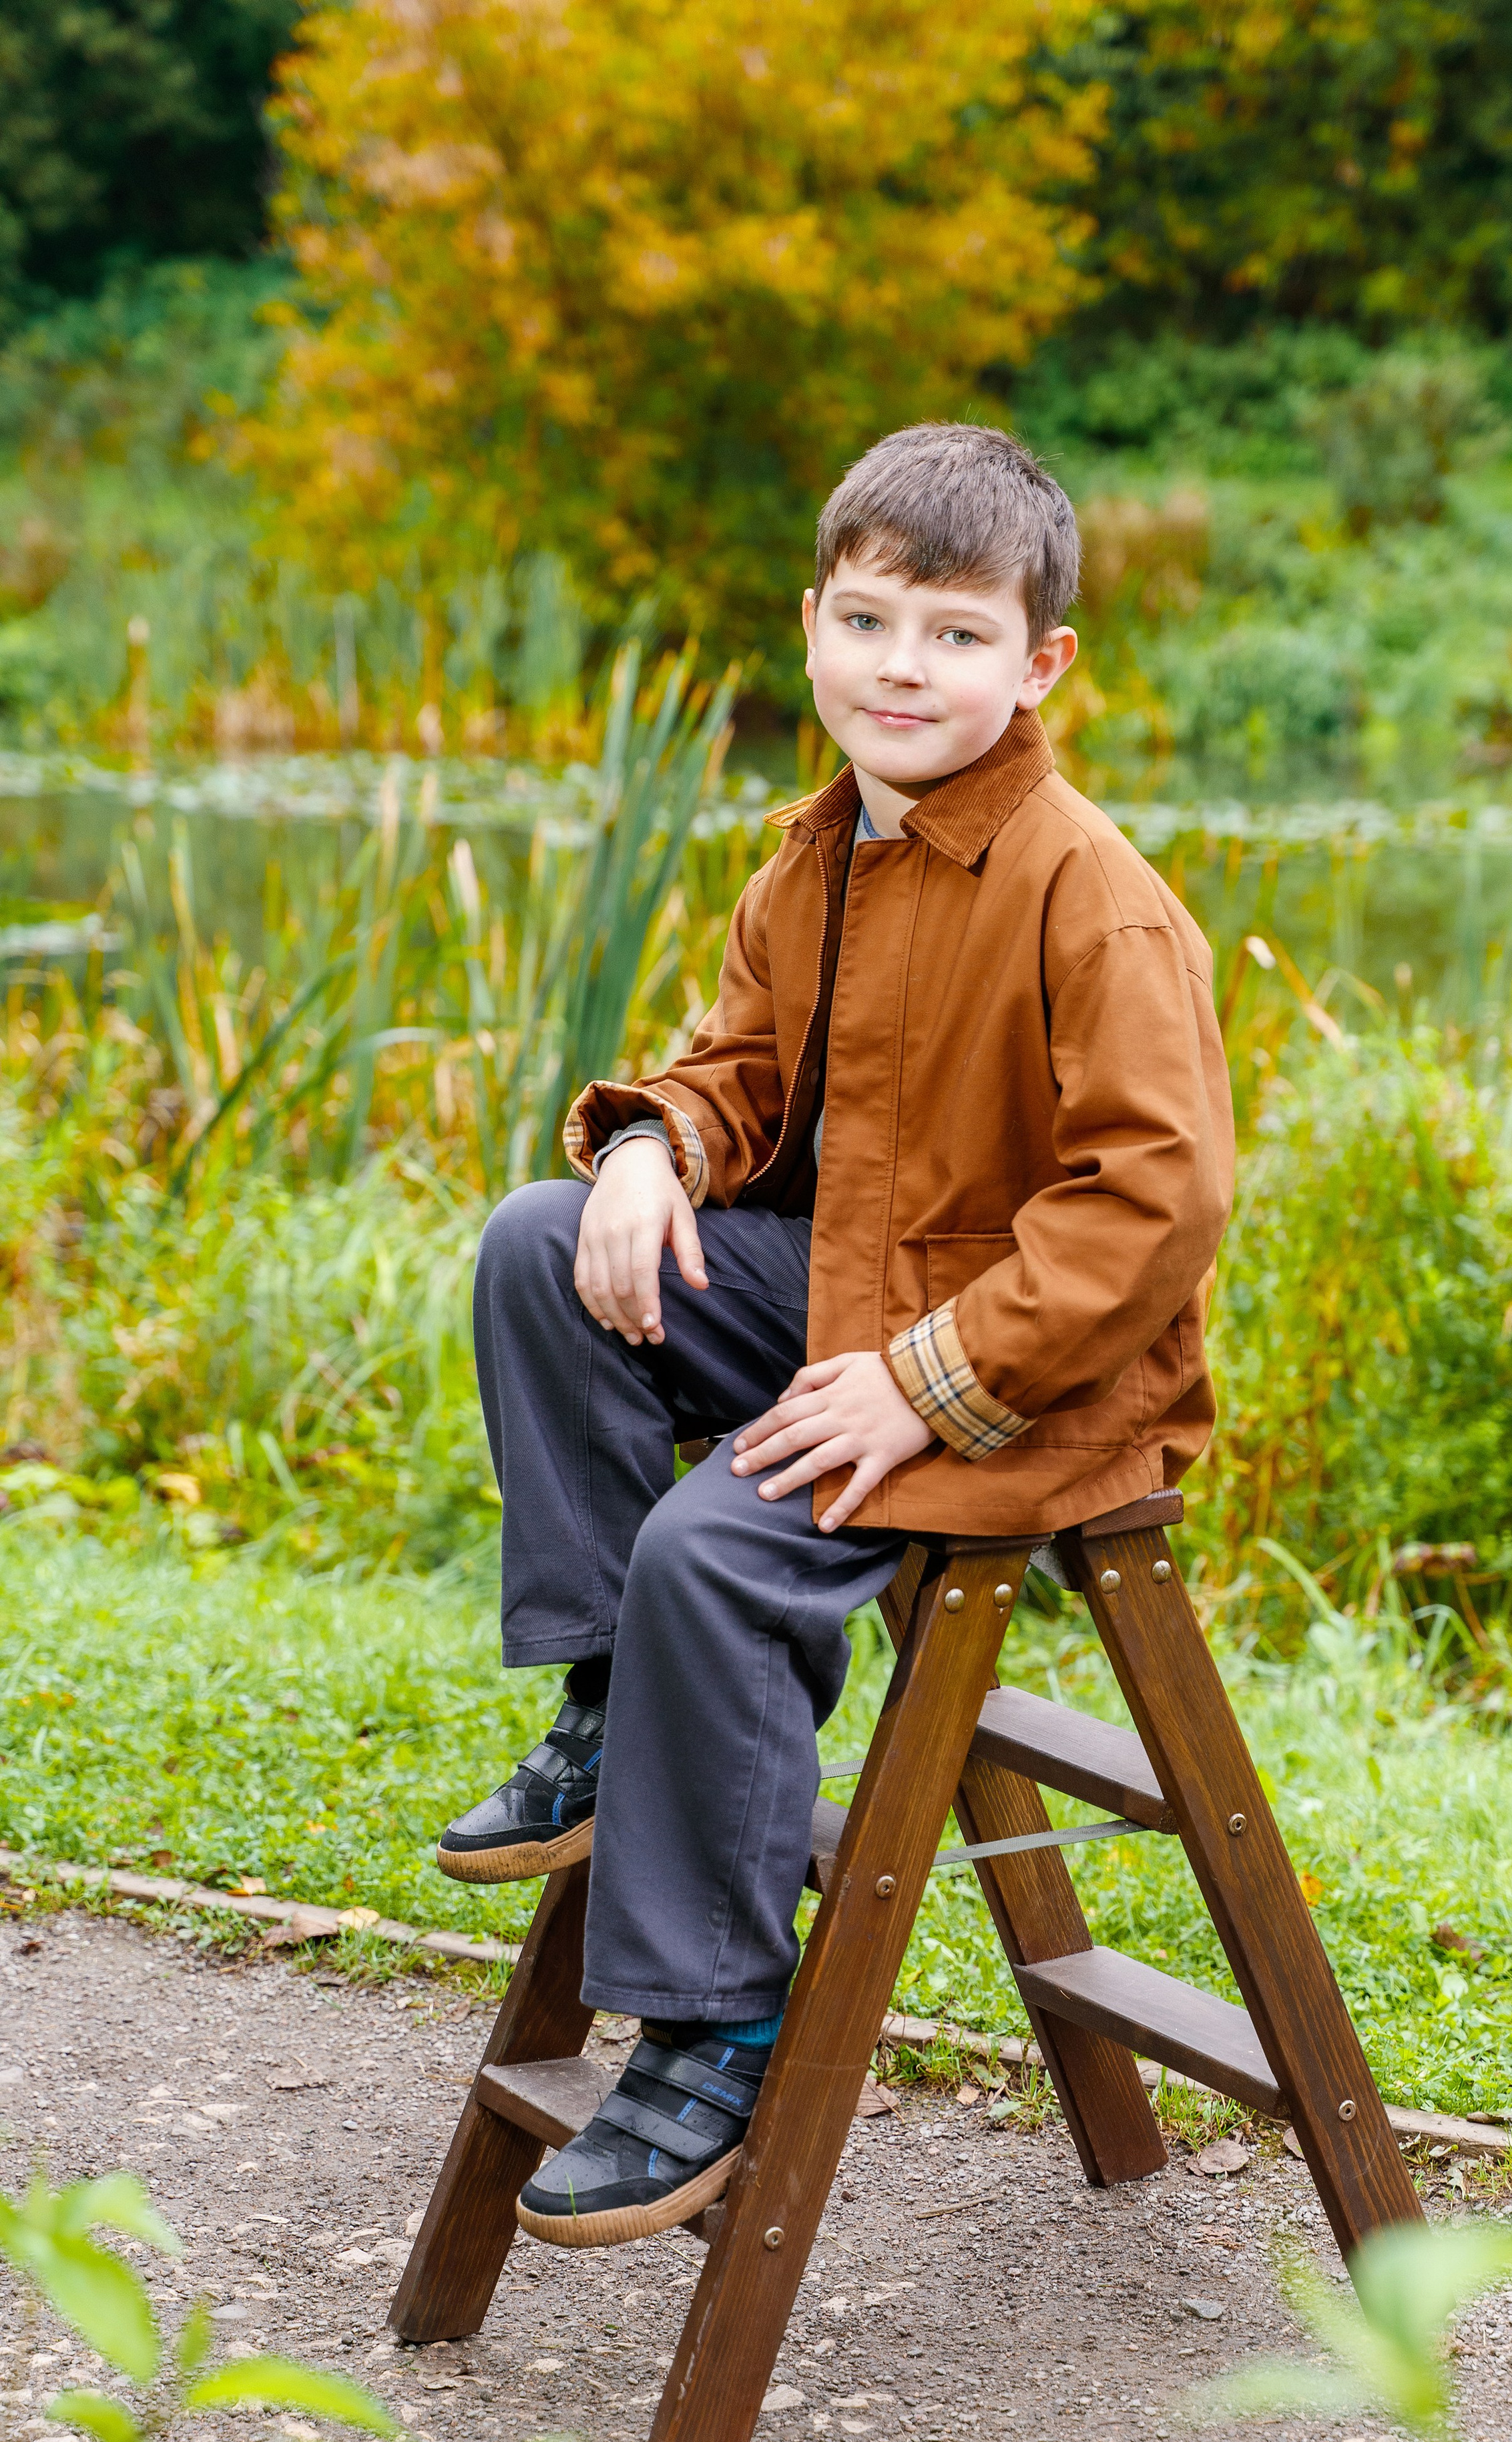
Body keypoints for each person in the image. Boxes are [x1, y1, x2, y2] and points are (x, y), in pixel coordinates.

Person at [437, 422, 1234, 2251]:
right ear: (811, 626)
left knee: (713, 1545)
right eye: (870, 621)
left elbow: (1155, 1202)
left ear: (1043, 662)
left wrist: (922, 1380)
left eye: (956, 635)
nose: (903, 666)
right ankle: (602, 1695)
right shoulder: (816, 861)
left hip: (1034, 1372)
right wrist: (653, 1149)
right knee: (538, 1246)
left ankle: (716, 2023)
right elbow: (742, 1073)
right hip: (852, 1293)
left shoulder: (1082, 888)